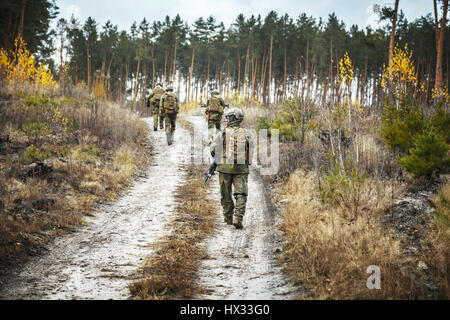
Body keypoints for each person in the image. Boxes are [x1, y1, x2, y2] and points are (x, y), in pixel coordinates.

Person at [209, 108, 254, 229]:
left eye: (229, 117)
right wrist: (246, 163)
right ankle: (238, 217)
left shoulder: (222, 133)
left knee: (226, 194)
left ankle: (228, 218)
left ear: (232, 118)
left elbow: (213, 150)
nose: (227, 119)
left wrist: (219, 159)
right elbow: (251, 152)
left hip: (224, 169)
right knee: (241, 194)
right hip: (241, 169)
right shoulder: (247, 133)